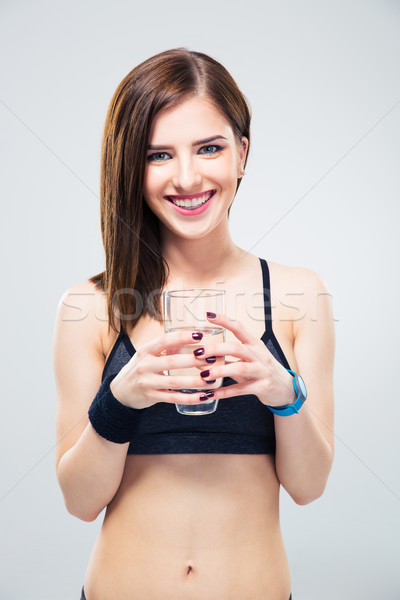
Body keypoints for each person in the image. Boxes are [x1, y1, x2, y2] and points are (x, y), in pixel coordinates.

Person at [53, 47, 335, 600]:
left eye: (209, 148)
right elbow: (79, 501)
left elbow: (309, 487)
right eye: (158, 155)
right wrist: (122, 398)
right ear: (131, 166)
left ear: (242, 153)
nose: (187, 177)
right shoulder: (90, 305)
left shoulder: (301, 295)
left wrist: (284, 393)